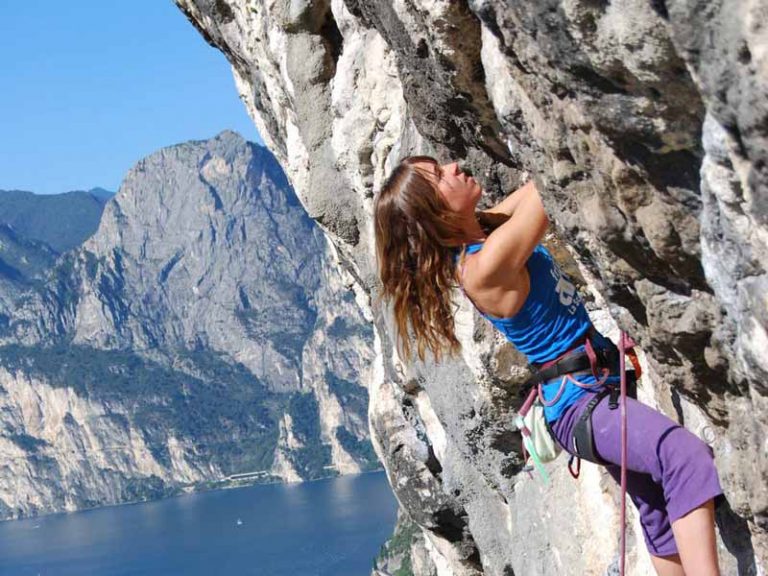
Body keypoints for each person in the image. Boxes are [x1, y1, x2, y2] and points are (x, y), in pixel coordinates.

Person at [373, 155, 723, 576]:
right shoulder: (483, 266)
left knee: (657, 510)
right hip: (583, 404)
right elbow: (548, 184)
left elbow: (522, 198)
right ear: (436, 211)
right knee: (684, 459)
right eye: (440, 176)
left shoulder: (484, 233)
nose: (454, 165)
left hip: (589, 397)